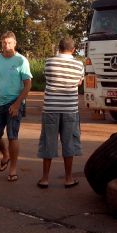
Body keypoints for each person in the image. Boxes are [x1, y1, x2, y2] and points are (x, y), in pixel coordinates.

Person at [0, 31, 32, 182]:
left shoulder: (21, 60)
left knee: (12, 136)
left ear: (15, 44)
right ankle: (5, 154)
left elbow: (28, 85)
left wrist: (17, 104)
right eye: (4, 43)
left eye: (9, 43)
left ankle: (13, 169)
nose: (6, 45)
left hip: (14, 103)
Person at [36, 37, 85, 189]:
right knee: (68, 142)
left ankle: (45, 179)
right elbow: (79, 82)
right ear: (73, 49)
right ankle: (69, 179)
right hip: (70, 109)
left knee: (48, 142)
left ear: (59, 47)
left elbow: (48, 79)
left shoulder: (49, 62)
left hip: (50, 108)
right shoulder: (79, 65)